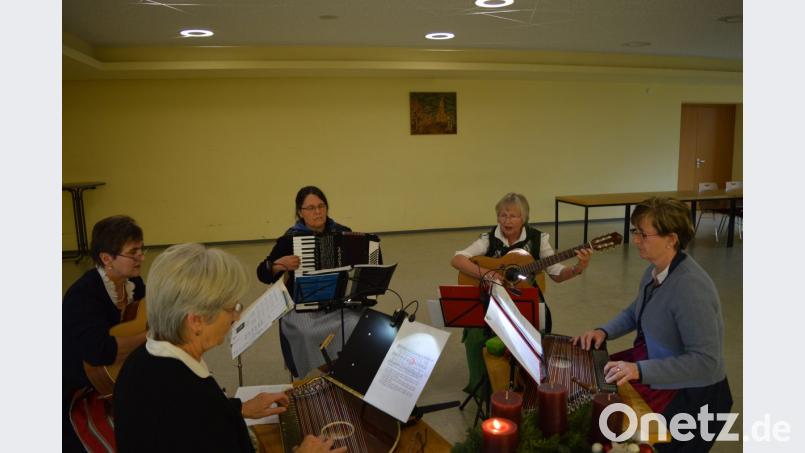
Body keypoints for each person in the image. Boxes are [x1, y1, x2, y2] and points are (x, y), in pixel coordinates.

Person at [114, 243, 345, 453]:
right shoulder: (196, 400)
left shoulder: (139, 360)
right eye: (231, 308)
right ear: (196, 321)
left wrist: (238, 409)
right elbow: (197, 419)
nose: (236, 317)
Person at [575, 197, 732, 452]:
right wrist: (604, 331)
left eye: (643, 234)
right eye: (635, 231)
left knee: (624, 429)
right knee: (595, 385)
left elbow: (706, 362)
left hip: (693, 393)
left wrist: (639, 370)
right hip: (655, 363)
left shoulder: (690, 288)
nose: (635, 240)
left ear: (671, 239)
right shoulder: (657, 270)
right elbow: (637, 311)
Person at [451, 192, 592, 395]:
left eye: (513, 216)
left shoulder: (538, 239)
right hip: (495, 302)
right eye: (503, 215)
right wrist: (487, 273)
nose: (507, 221)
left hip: (526, 302)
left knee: (536, 335)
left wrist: (579, 267)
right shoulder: (488, 238)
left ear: (524, 218)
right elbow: (458, 259)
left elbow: (557, 273)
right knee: (474, 335)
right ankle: (483, 387)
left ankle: (528, 384)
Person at [62, 215, 148, 452]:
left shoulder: (133, 283)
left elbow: (145, 314)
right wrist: (149, 338)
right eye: (133, 252)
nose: (141, 257)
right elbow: (101, 352)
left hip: (120, 376)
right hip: (80, 390)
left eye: (142, 249)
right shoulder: (83, 296)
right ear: (106, 258)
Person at [256, 186, 361, 378]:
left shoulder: (342, 233)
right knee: (305, 332)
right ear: (299, 212)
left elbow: (360, 262)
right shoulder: (289, 240)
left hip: (336, 302)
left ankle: (346, 371)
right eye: (311, 208)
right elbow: (263, 273)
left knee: (357, 322)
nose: (318, 212)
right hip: (302, 306)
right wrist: (279, 265)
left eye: (321, 206)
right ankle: (318, 378)